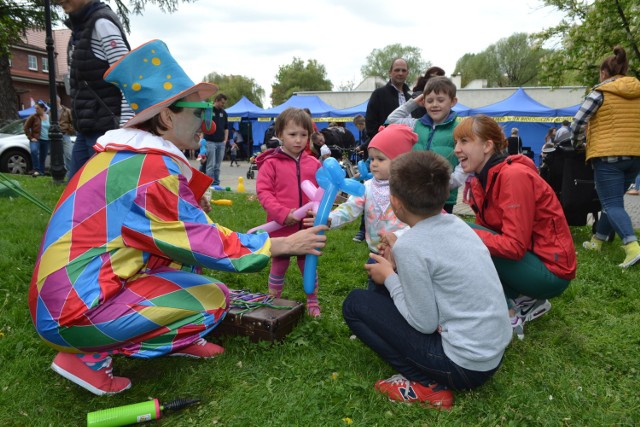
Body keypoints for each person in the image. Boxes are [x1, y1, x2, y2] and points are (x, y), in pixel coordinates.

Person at [28, 40, 327, 396]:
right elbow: (205, 242)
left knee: (196, 282)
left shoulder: (126, 159)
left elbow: (165, 234)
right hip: (75, 312)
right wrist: (281, 243)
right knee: (214, 299)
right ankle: (88, 357)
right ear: (168, 117)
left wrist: (190, 205)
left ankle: (179, 337)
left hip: (69, 298)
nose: (208, 123)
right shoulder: (151, 171)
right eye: (199, 112)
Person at [342, 150, 511, 410]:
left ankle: (425, 384)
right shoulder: (456, 223)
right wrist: (396, 264)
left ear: (395, 202)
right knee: (383, 278)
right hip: (491, 356)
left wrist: (389, 277)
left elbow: (423, 323)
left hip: (463, 367)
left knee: (354, 304)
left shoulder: (411, 246)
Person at [453, 115, 576, 339]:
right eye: (456, 143)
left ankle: (509, 313)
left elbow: (513, 247)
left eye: (463, 141)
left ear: (487, 145)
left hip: (551, 273)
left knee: (460, 231)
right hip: (531, 262)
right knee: (466, 235)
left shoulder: (513, 176)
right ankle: (522, 301)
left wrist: (461, 235)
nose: (456, 149)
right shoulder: (482, 178)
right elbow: (489, 242)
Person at [306, 124, 416, 289]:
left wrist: (397, 237)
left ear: (400, 160)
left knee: (407, 291)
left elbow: (419, 222)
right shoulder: (367, 187)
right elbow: (350, 208)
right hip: (376, 253)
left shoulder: (410, 188)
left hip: (406, 254)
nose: (373, 164)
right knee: (376, 292)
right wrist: (330, 219)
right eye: (371, 159)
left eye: (380, 159)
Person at [572, 46, 640, 266]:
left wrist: (578, 144)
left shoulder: (600, 92)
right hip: (635, 155)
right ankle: (598, 241)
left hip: (608, 156)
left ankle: (632, 247)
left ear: (604, 73)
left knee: (611, 204)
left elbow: (577, 123)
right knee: (615, 202)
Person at [255, 108, 323, 317]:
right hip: (281, 226)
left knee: (308, 264)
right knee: (279, 262)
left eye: (303, 135)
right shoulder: (271, 164)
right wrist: (283, 214)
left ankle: (312, 300)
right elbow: (264, 192)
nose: (298, 140)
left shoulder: (314, 163)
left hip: (307, 227)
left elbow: (323, 192)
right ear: (280, 134)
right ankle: (274, 298)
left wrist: (319, 213)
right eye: (292, 135)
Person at [62, 0, 133, 178]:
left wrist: (124, 130)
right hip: (87, 128)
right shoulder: (80, 28)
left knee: (102, 194)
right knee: (75, 193)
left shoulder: (102, 24)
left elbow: (128, 76)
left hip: (107, 130)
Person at [386, 76, 466, 213]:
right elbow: (391, 120)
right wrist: (414, 103)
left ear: (453, 101)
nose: (434, 104)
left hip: (443, 196)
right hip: (416, 193)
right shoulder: (416, 124)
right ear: (423, 102)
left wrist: (450, 183)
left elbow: (464, 161)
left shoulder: (459, 129)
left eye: (440, 100)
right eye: (429, 101)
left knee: (439, 233)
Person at [365, 58, 411, 142]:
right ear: (390, 72)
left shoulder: (410, 98)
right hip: (385, 146)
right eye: (397, 70)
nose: (400, 73)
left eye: (403, 70)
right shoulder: (379, 94)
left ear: (407, 73)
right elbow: (370, 125)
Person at [204, 93, 229, 185]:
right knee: (211, 164)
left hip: (221, 143)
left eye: (224, 103)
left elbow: (226, 128)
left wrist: (225, 140)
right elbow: (203, 124)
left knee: (217, 165)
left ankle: (216, 183)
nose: (223, 105)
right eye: (222, 103)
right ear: (217, 101)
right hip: (210, 141)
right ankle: (209, 183)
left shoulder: (224, 113)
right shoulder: (209, 110)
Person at [23, 100, 50, 176]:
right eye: (35, 108)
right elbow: (26, 127)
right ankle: (36, 169)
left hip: (46, 140)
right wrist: (30, 137)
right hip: (36, 139)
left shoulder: (48, 117)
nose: (36, 110)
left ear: (43, 109)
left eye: (37, 108)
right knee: (34, 151)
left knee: (43, 157)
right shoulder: (33, 117)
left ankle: (41, 172)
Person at [56, 96, 75, 180]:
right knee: (58, 157)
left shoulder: (67, 111)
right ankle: (63, 175)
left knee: (68, 155)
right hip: (55, 137)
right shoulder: (50, 112)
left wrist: (69, 129)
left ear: (57, 101)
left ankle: (71, 175)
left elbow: (73, 122)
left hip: (65, 134)